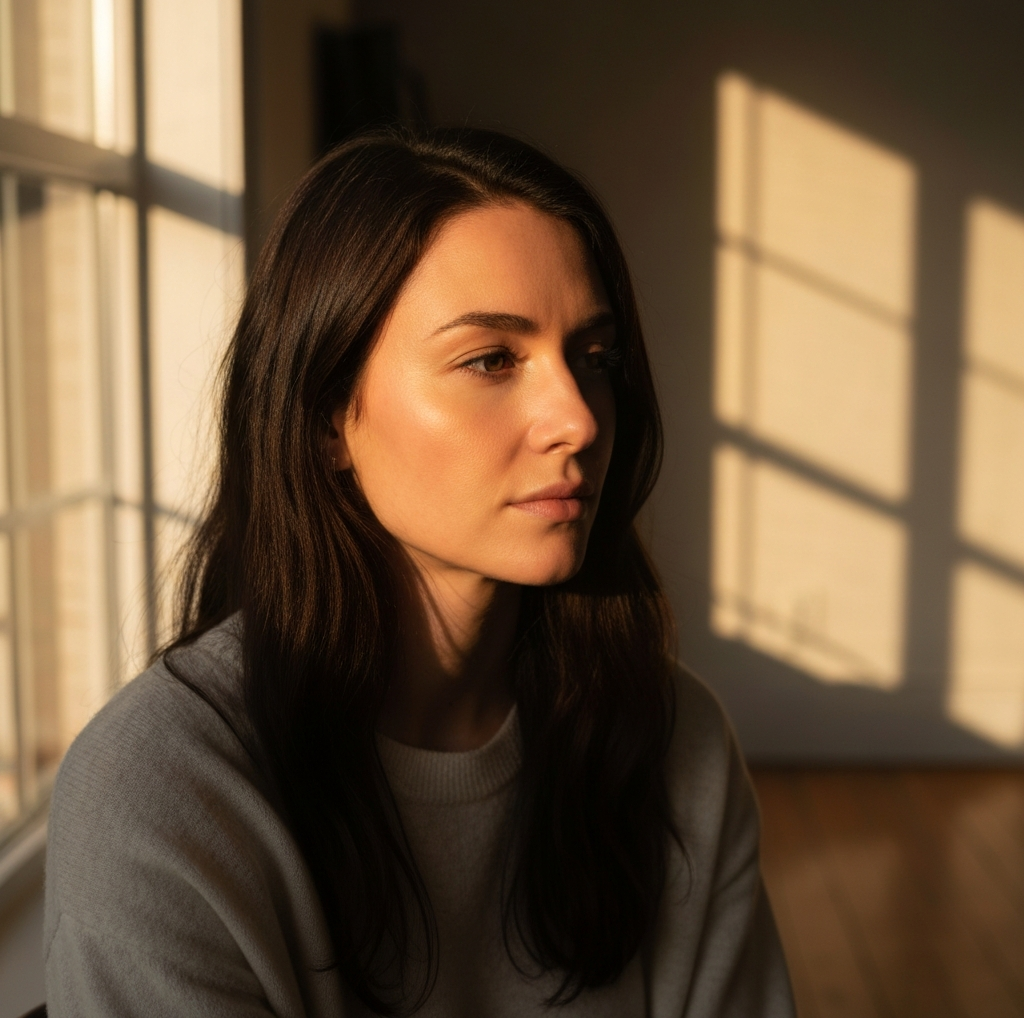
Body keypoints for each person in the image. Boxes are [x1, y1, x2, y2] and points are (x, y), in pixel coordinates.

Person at [43, 128, 795, 1017]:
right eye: (490, 360)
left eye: (593, 359)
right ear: (329, 415)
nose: (579, 420)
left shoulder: (676, 743)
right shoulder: (164, 795)